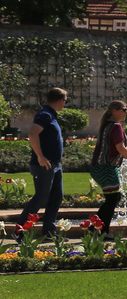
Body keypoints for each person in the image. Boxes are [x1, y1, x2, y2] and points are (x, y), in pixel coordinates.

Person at [89, 100, 127, 227]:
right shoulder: (116, 126)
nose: (126, 112)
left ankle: (97, 227)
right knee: (113, 199)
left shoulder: (106, 125)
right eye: (124, 109)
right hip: (106, 167)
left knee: (113, 198)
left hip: (99, 167)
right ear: (114, 111)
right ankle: (99, 229)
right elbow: (121, 148)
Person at [21, 87, 67, 236]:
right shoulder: (45, 114)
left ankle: (49, 232)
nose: (64, 104)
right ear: (60, 100)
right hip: (44, 165)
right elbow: (33, 133)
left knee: (56, 198)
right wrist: (40, 156)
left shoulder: (51, 115)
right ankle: (19, 230)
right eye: (65, 101)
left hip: (54, 165)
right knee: (40, 198)